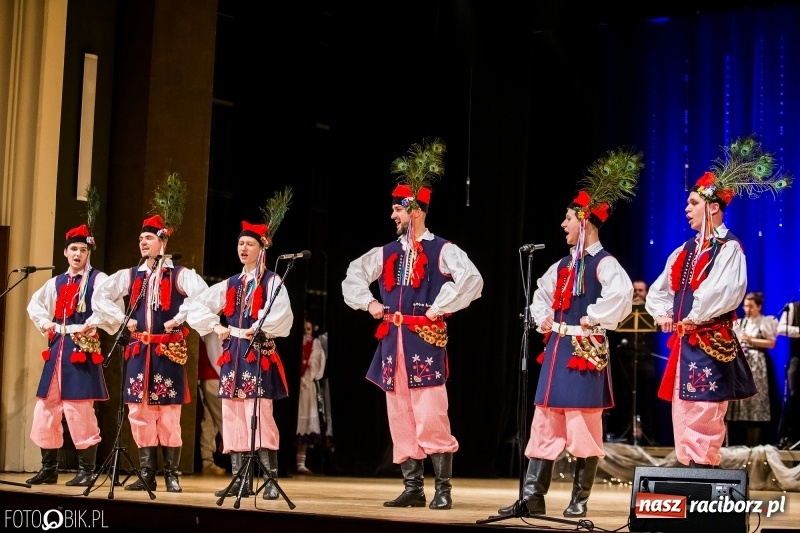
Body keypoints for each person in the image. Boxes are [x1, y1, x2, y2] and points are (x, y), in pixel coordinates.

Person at [497, 147, 642, 519]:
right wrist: (543, 317)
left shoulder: (605, 264)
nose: (563, 224)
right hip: (559, 348)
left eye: (568, 218)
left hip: (584, 350)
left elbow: (622, 295)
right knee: (544, 420)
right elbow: (540, 294)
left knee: (583, 423)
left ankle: (579, 498)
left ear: (584, 220)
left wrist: (592, 317)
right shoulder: (562, 264)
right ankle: (533, 496)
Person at [342, 138, 483, 511]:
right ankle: (413, 487)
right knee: (400, 415)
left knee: (431, 413)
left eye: (397, 209)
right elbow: (353, 276)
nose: (393, 216)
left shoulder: (442, 249)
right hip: (392, 343)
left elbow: (472, 280)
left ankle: (443, 488)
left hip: (424, 341)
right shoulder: (386, 252)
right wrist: (370, 303)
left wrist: (439, 307)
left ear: (414, 211)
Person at [645, 135, 791, 467]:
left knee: (705, 411)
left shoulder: (729, 248)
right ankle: (690, 476)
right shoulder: (684, 251)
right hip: (686, 342)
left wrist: (692, 316)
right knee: (683, 411)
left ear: (712, 207)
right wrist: (663, 314)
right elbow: (659, 291)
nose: (686, 208)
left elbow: (723, 293)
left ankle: (702, 478)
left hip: (711, 341)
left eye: (693, 203)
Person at [92, 173, 208, 493]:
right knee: (139, 412)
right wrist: (122, 319)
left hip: (167, 351)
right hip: (138, 351)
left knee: (168, 412)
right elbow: (101, 296)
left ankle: (171, 473)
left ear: (162, 241)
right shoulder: (132, 275)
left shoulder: (179, 274)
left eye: (148, 238)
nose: (143, 242)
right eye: (140, 238)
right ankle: (146, 472)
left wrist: (180, 318)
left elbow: (204, 296)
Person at [187, 188, 294, 500]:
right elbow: (197, 307)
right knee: (233, 415)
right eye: (240, 243)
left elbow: (281, 317)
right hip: (232, 354)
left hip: (257, 353)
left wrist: (256, 328)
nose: (243, 248)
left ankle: (270, 479)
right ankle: (240, 479)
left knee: (259, 414)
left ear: (263, 248)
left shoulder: (272, 281)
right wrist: (216, 326)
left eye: (249, 244)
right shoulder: (231, 283)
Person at [25, 221, 109, 486]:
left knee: (79, 408)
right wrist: (45, 323)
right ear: (65, 252)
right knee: (45, 408)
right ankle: (49, 468)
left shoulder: (98, 280)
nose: (78, 254)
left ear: (88, 253)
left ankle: (87, 470)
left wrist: (93, 322)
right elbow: (35, 305)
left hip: (80, 348)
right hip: (58, 347)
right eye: (73, 249)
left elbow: (111, 306)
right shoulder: (56, 282)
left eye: (83, 250)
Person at [726, 292, 777, 446]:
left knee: (756, 402)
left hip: (757, 365)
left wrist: (751, 340)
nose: (747, 309)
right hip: (741, 364)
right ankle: (737, 443)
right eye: (746, 306)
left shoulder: (765, 321)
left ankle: (754, 442)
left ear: (759, 307)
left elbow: (771, 343)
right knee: (740, 403)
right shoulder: (740, 322)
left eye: (751, 306)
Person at [295, 317, 326, 475]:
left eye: (308, 329)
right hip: (294, 387)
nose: (306, 333)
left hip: (306, 388)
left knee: (305, 424)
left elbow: (315, 364)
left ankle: (301, 462)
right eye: (303, 329)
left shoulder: (315, 343)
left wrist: (304, 380)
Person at [197, 331, 226, 475]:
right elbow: (216, 354)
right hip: (214, 378)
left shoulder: (205, 329)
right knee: (224, 420)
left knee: (210, 421)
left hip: (208, 378)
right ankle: (239, 461)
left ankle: (207, 461)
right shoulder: (212, 330)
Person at [776, 301, 800, 449]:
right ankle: (791, 437)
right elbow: (781, 328)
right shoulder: (793, 307)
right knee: (794, 395)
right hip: (797, 358)